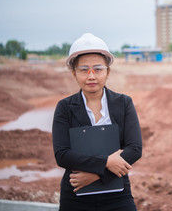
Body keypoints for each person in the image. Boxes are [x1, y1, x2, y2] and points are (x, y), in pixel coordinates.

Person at [52, 33, 142, 211]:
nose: (91, 76)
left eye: (98, 69)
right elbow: (62, 155)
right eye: (84, 69)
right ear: (74, 73)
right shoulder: (64, 107)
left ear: (107, 72)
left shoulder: (124, 103)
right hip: (76, 193)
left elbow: (135, 148)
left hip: (117, 192)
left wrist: (96, 176)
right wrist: (106, 163)